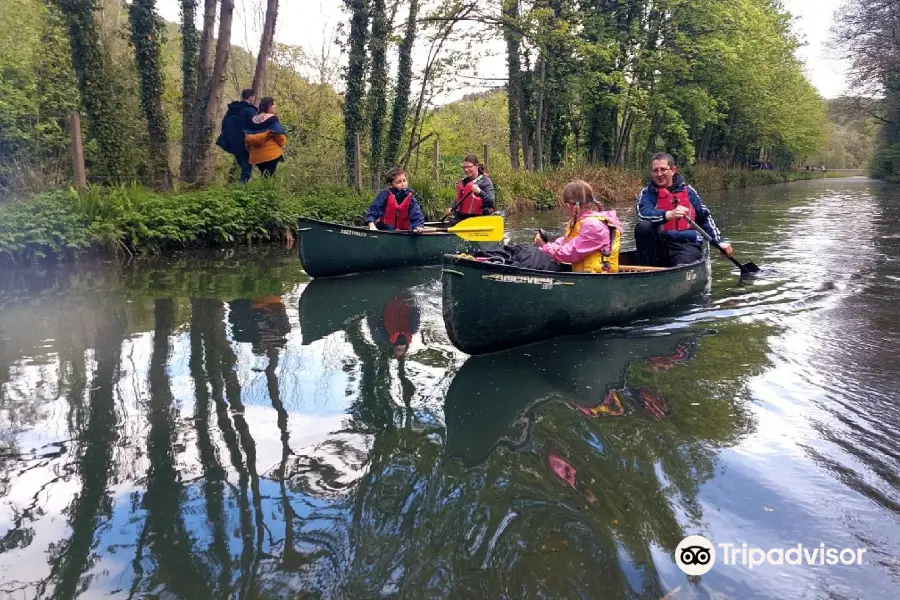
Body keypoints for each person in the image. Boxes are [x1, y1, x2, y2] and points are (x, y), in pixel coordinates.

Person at [634, 152, 732, 267]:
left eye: (663, 169)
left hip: (685, 244)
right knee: (643, 227)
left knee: (683, 263)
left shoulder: (689, 192)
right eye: (655, 170)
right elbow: (643, 214)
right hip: (658, 245)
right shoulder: (647, 193)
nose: (659, 174)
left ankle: (680, 271)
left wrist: (720, 242)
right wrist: (668, 214)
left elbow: (704, 218)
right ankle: (646, 270)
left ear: (673, 170)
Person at [533, 179, 623, 273]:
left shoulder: (593, 226)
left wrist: (545, 246)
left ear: (571, 205)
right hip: (585, 274)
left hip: (596, 277)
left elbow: (569, 253)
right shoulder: (579, 222)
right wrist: (546, 247)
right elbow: (564, 242)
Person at [364, 167, 426, 232]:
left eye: (404, 181)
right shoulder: (384, 195)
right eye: (399, 182)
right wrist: (371, 225)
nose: (403, 184)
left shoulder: (411, 199)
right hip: (385, 231)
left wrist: (418, 226)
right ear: (390, 185)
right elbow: (373, 210)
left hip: (404, 232)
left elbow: (417, 214)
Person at [216, 88, 257, 183]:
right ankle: (242, 189)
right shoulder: (249, 111)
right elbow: (253, 127)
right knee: (246, 168)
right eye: (253, 97)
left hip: (231, 143)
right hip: (243, 143)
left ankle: (240, 187)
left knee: (243, 165)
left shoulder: (231, 110)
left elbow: (224, 125)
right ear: (251, 97)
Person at [445, 154, 495, 223]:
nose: (466, 169)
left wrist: (480, 192)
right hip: (464, 217)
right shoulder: (464, 182)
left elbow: (491, 202)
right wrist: (451, 207)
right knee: (451, 222)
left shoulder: (485, 181)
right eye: (464, 167)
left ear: (476, 166)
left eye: (469, 167)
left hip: (480, 217)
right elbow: (460, 199)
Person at [367, 294, 421, 359]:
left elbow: (376, 322)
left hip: (390, 299)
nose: (400, 346)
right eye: (402, 349)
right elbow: (416, 313)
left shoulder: (384, 336)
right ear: (405, 347)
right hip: (405, 298)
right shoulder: (413, 329)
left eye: (398, 349)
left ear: (393, 348)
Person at [244, 96, 287, 177]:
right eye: (274, 105)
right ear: (270, 106)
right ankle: (269, 189)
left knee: (266, 175)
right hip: (271, 154)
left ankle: (265, 189)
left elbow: (247, 139)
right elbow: (280, 137)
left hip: (255, 155)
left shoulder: (253, 119)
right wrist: (283, 141)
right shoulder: (272, 119)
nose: (275, 107)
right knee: (270, 176)